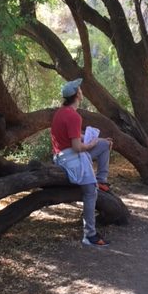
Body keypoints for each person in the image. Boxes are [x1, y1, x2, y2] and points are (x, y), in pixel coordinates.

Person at [51, 78, 112, 248]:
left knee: (105, 144)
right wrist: (91, 144)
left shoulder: (61, 112)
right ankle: (90, 235)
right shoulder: (74, 116)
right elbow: (78, 147)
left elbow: (74, 138)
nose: (82, 91)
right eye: (80, 90)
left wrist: (97, 140)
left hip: (61, 156)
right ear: (77, 94)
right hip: (70, 159)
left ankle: (102, 180)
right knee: (90, 191)